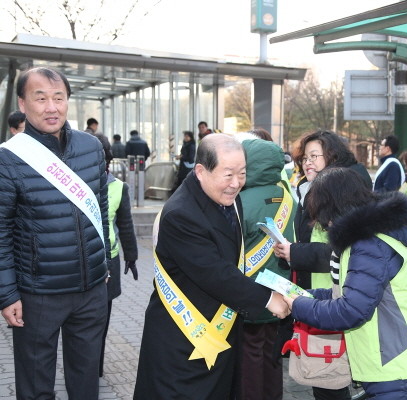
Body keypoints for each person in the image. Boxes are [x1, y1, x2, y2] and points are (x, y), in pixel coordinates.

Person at [133, 133, 290, 400]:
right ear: (201, 172)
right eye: (227, 174)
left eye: (242, 173)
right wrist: (267, 299)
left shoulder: (230, 198)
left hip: (222, 330)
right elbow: (215, 273)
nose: (236, 183)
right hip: (183, 338)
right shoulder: (180, 214)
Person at [283, 167, 407, 400]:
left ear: (332, 209)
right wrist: (303, 296)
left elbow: (351, 309)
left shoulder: (367, 245)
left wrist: (298, 306)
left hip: (403, 372)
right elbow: (349, 293)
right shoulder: (375, 237)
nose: (325, 225)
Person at [0, 67, 109, 399]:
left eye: (59, 98)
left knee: (86, 381)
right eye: (41, 98)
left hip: (90, 289)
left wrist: (102, 262)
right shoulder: (9, 159)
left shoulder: (91, 147)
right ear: (22, 102)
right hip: (37, 293)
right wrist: (7, 294)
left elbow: (100, 210)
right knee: (35, 384)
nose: (51, 107)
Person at [273, 130, 371, 400]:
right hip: (321, 295)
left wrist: (297, 253)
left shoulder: (344, 191)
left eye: (315, 156)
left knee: (330, 379)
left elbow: (342, 249)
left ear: (333, 156)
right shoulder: (310, 188)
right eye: (305, 158)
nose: (308, 163)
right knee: (325, 377)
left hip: (335, 297)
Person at [238, 136, 297, 400]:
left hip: (249, 289)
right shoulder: (287, 196)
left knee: (249, 353)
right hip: (280, 287)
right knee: (272, 352)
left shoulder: (239, 200)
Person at [100, 164, 138, 377]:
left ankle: (96, 366)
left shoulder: (118, 187)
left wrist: (131, 256)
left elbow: (125, 223)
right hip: (81, 263)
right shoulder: (75, 182)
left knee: (103, 317)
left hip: (110, 261)